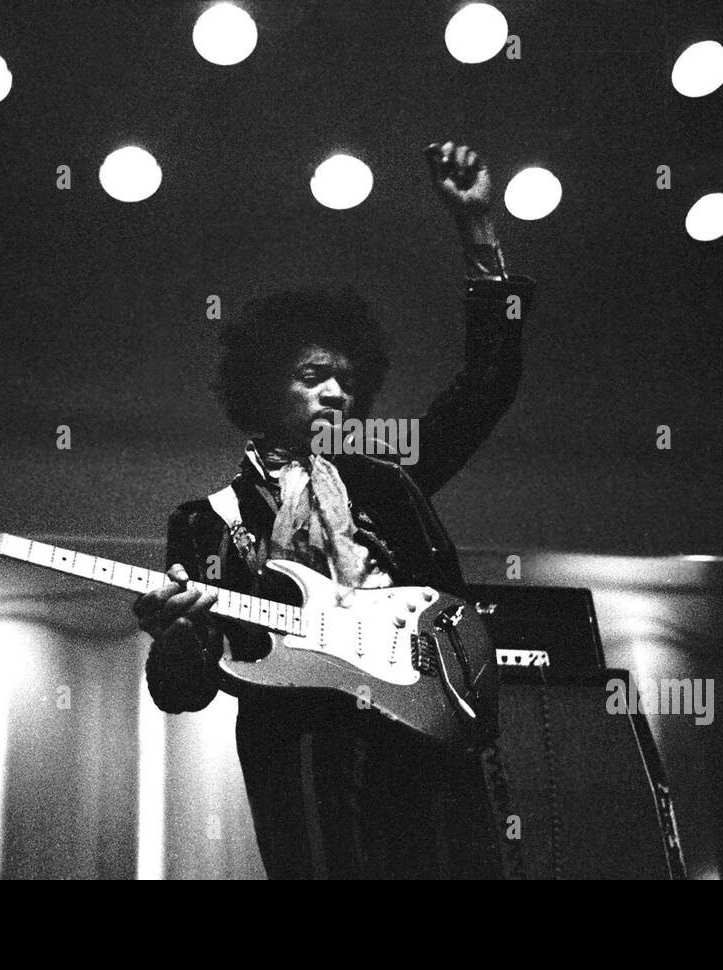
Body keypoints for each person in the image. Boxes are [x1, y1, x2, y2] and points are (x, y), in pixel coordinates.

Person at [134, 140, 536, 878]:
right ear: (263, 386)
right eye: (313, 375)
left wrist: (478, 229)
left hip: (421, 722)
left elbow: (487, 385)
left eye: (346, 380)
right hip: (304, 743)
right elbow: (180, 692)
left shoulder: (387, 479)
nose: (335, 393)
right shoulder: (207, 521)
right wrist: (180, 633)